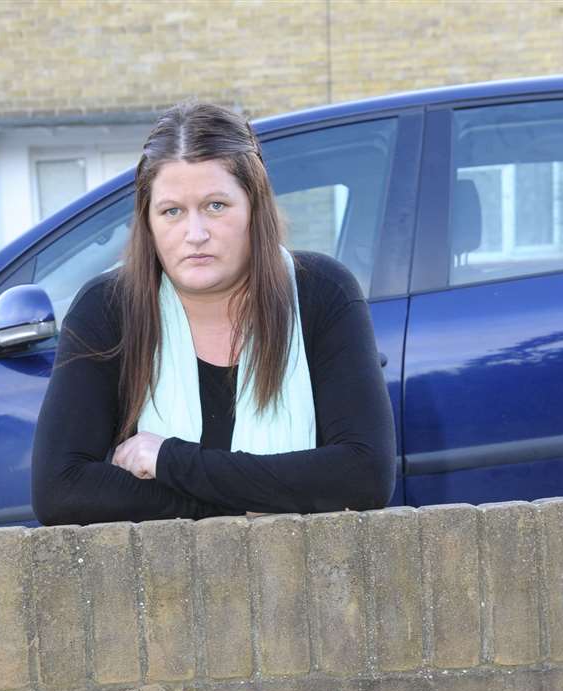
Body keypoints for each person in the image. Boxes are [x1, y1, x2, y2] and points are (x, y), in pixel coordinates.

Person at [30, 100, 396, 527]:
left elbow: (363, 475)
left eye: (216, 206)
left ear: (254, 208)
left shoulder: (322, 293)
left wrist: (171, 462)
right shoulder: (110, 309)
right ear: (147, 223)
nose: (195, 234)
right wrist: (245, 504)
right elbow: (60, 490)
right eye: (172, 212)